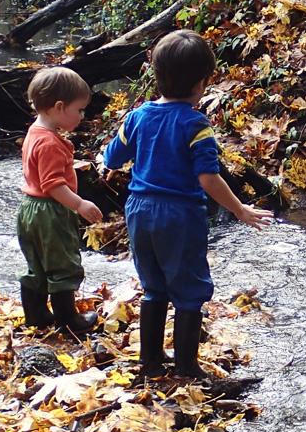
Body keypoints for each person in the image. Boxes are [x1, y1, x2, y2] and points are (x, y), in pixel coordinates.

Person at [101, 30, 273, 379]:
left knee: (153, 287)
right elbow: (208, 179)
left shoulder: (137, 117)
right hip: (179, 215)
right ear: (200, 84)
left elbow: (113, 157)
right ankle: (185, 368)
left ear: (156, 74)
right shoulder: (196, 123)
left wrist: (111, 157)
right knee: (189, 289)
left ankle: (149, 363)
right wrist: (240, 209)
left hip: (138, 210)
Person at [18, 67, 102, 334]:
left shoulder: (35, 132)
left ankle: (36, 314)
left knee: (37, 263)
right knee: (63, 262)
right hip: (51, 211)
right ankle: (69, 320)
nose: (82, 116)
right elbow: (53, 185)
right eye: (79, 110)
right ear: (58, 107)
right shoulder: (51, 143)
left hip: (29, 209)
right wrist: (79, 204)